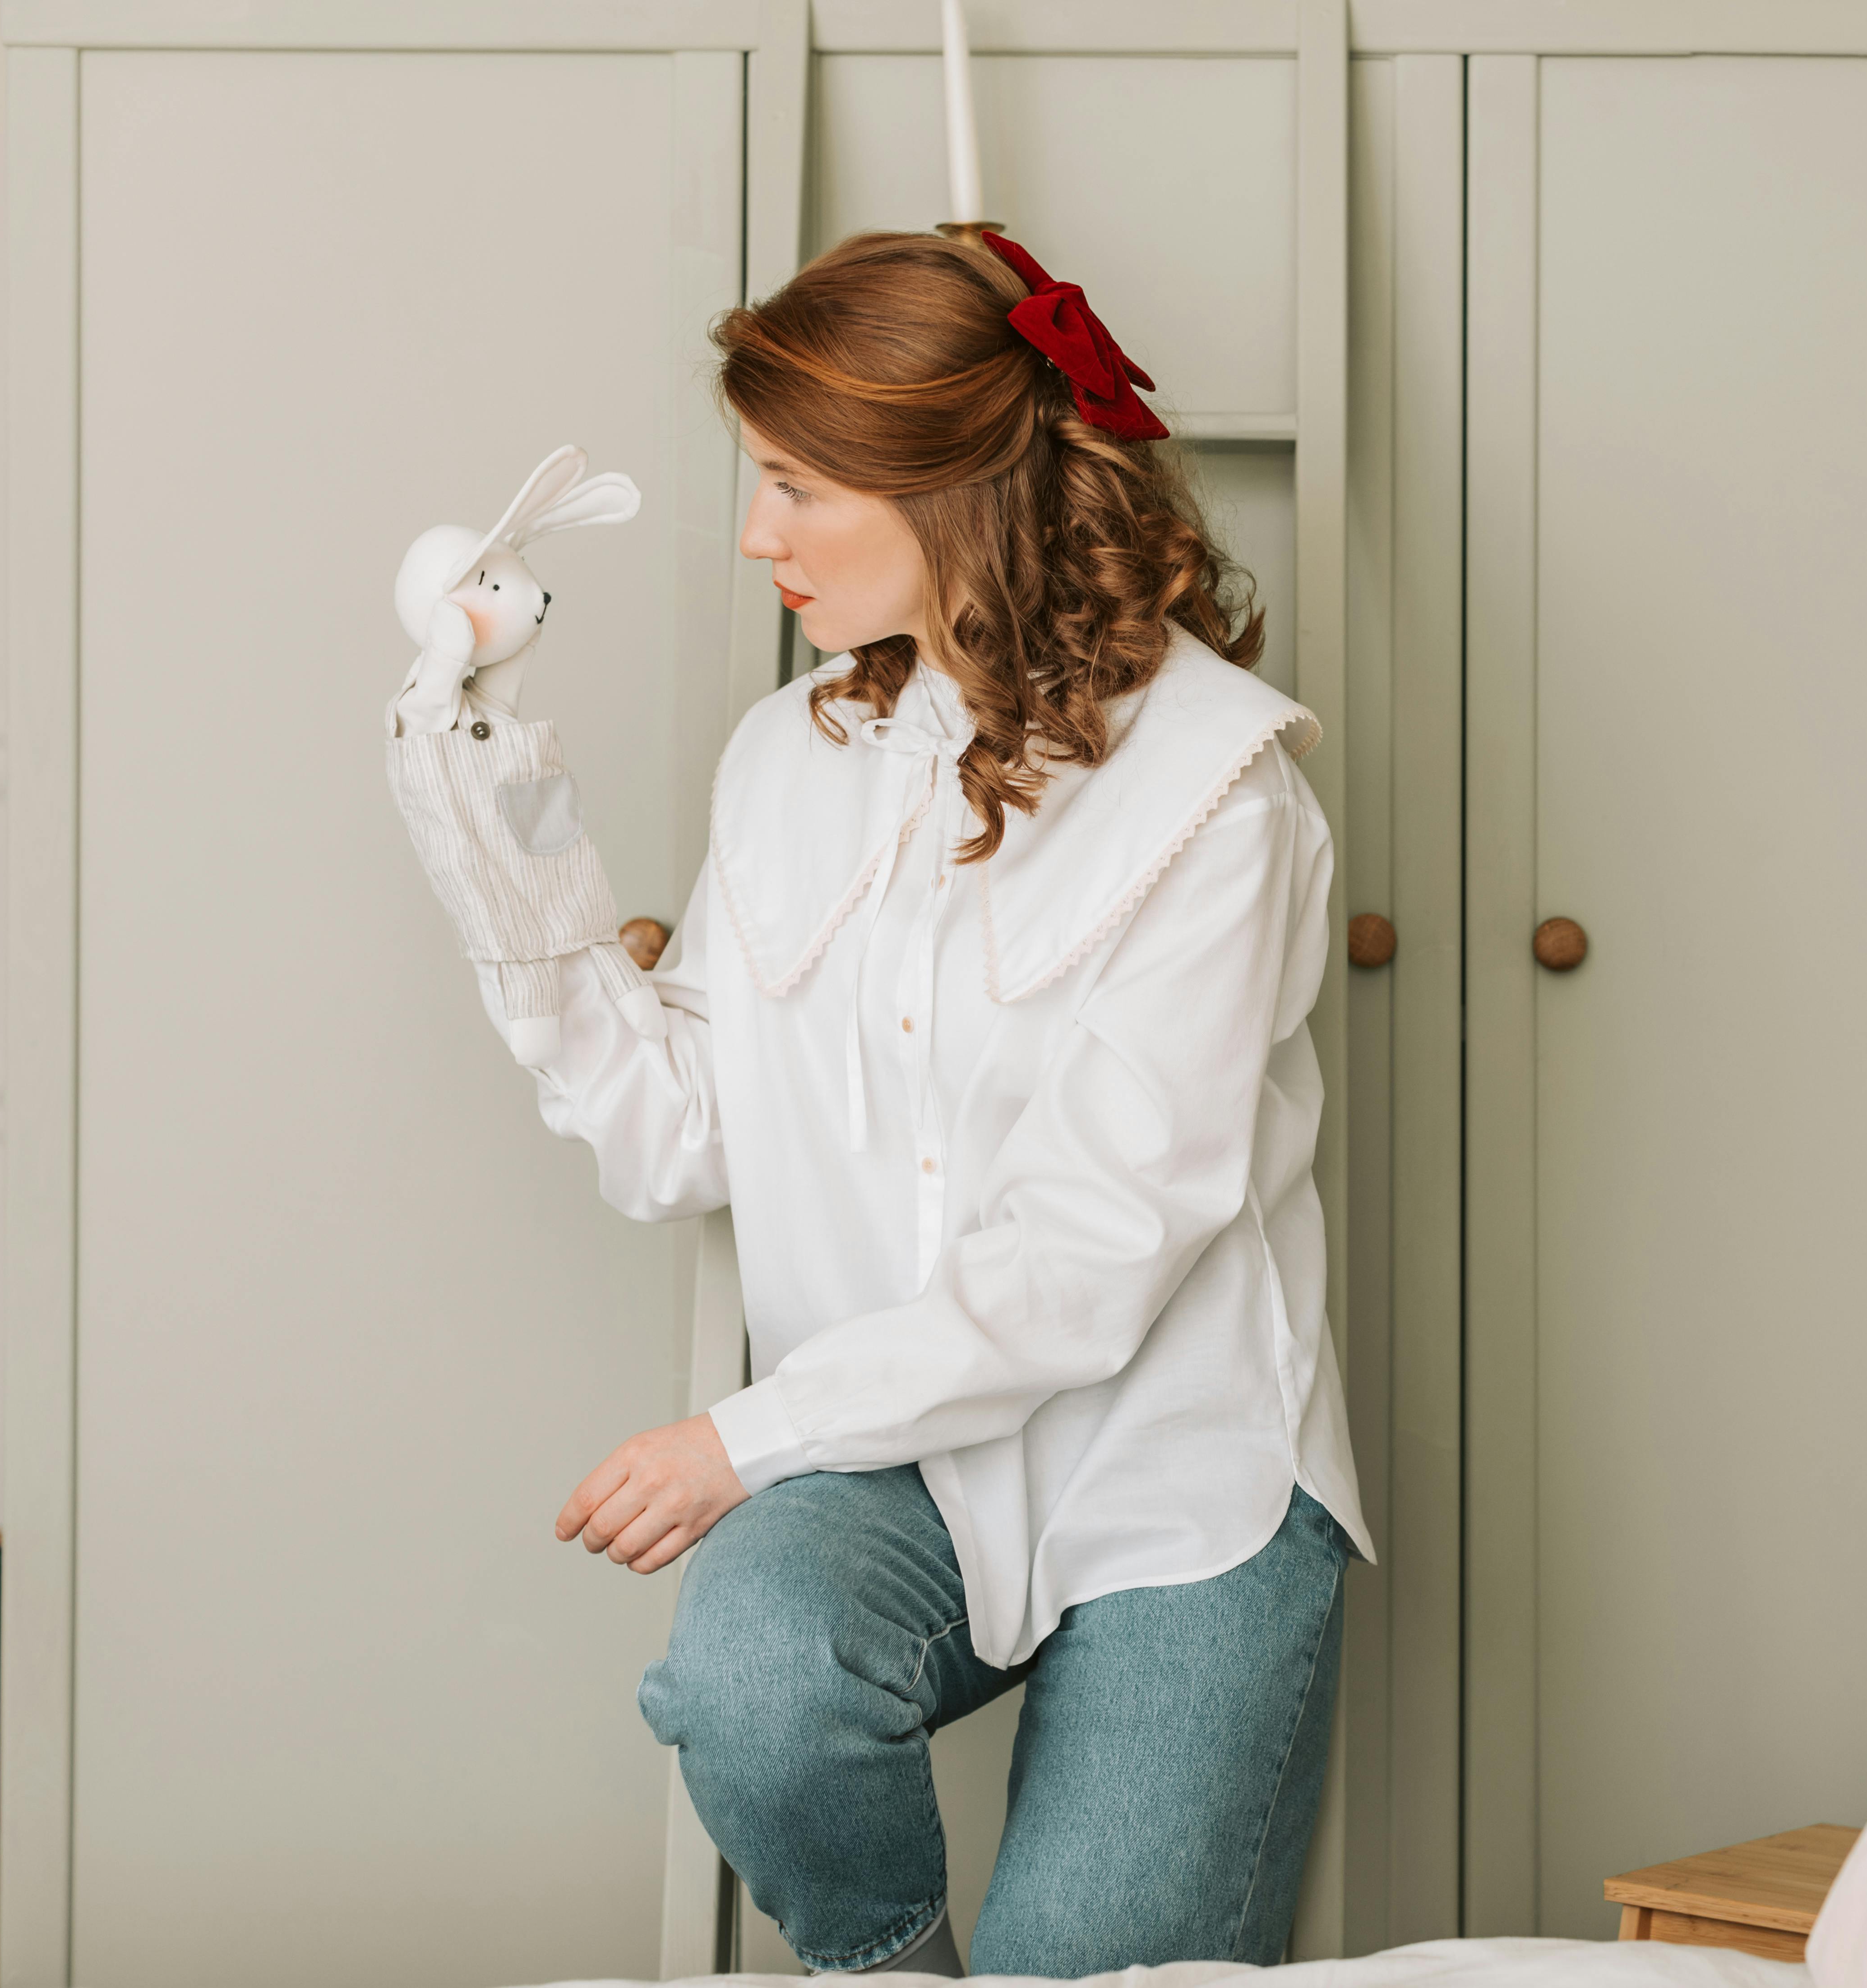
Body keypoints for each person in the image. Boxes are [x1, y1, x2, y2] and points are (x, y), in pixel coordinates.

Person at [386, 228, 1368, 1979]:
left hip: (1177, 1475)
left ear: (951, 488)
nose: (753, 534)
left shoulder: (1218, 794)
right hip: (898, 1464)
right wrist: (494, 824)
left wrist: (737, 1440)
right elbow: (678, 1136)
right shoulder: (789, 759)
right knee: (753, 1675)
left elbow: (1085, 1256)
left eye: (792, 484)